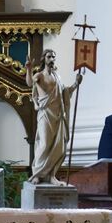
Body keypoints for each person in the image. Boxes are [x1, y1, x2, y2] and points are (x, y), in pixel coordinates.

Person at [25, 49, 82, 185]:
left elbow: (65, 93)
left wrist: (76, 83)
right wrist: (28, 69)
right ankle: (37, 174)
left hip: (58, 115)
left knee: (59, 146)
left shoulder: (57, 77)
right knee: (44, 144)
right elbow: (29, 83)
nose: (52, 59)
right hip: (45, 115)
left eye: (53, 57)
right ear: (44, 59)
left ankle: (51, 176)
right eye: (49, 57)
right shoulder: (39, 75)